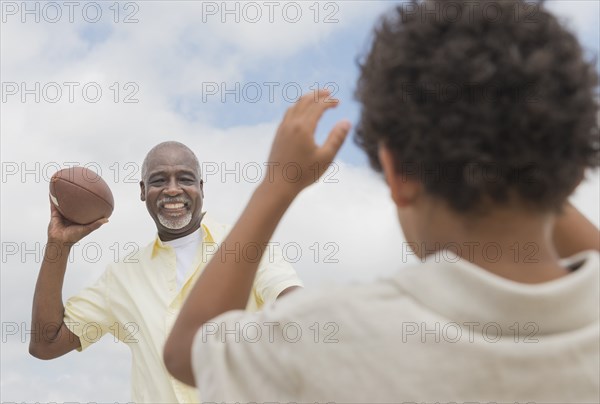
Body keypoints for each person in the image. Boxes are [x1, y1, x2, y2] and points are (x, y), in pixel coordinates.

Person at [164, 0, 600, 402]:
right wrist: (531, 155)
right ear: (576, 167)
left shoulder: (331, 333)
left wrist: (277, 186)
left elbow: (189, 349)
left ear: (397, 174)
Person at [29, 141, 303, 403]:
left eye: (184, 179)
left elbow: (292, 301)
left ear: (201, 187)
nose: (172, 190)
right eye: (159, 180)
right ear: (142, 190)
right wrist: (58, 246)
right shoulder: (123, 275)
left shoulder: (246, 247)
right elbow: (46, 344)